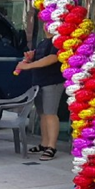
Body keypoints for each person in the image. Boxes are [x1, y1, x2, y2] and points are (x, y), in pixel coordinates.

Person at [16, 29, 64, 161]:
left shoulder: (57, 41)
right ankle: (44, 143)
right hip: (39, 82)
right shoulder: (43, 42)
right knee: (42, 114)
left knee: (50, 114)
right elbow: (40, 58)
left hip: (52, 82)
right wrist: (30, 58)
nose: (46, 26)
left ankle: (52, 146)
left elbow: (53, 58)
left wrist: (29, 66)